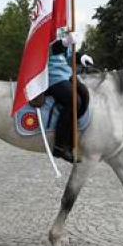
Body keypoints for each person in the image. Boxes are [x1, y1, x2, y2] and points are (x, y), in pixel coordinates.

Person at [44, 30, 89, 163]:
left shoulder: (61, 31)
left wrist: (81, 57)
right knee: (74, 101)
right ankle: (60, 146)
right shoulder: (45, 28)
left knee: (85, 95)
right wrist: (64, 43)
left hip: (66, 75)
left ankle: (73, 134)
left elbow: (69, 55)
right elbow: (49, 50)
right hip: (52, 76)